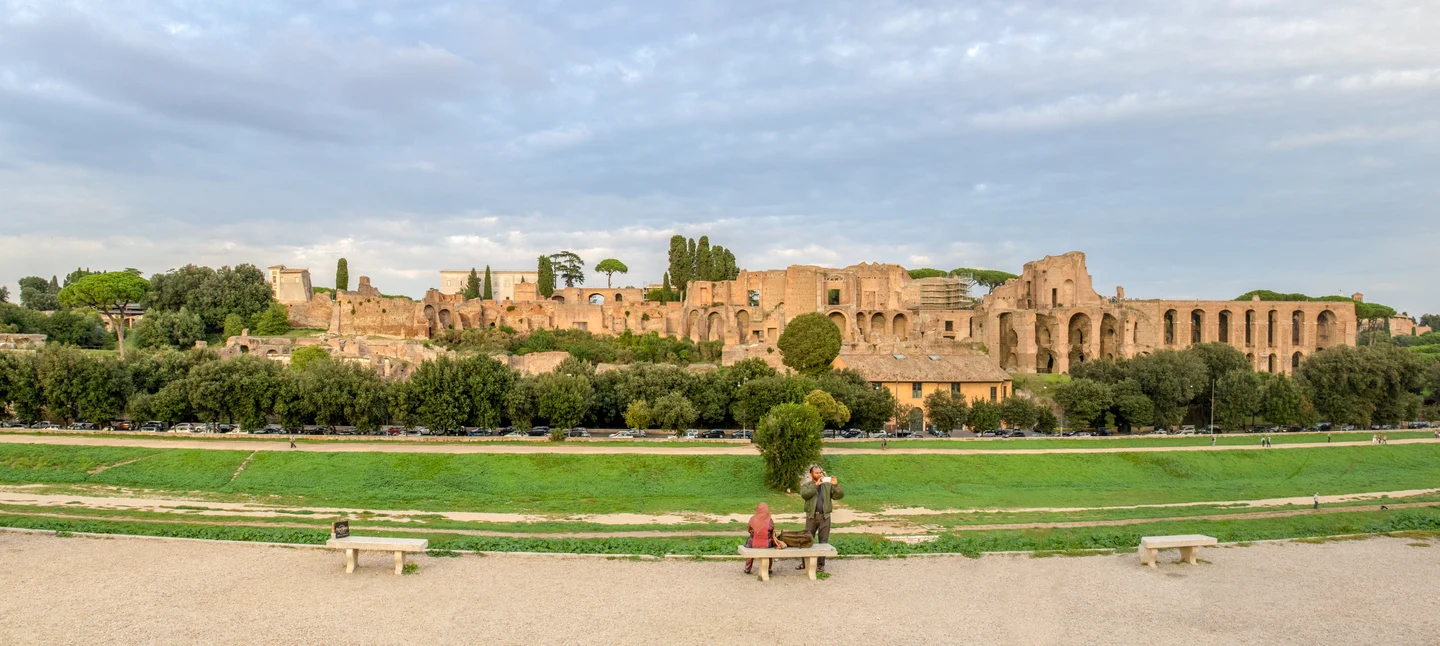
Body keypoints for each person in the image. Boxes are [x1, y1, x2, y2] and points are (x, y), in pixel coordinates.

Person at [798, 465, 844, 572]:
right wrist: (815, 485)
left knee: (823, 541)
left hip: (824, 516)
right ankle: (805, 563)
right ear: (811, 474)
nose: (819, 475)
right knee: (807, 539)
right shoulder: (807, 485)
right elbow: (804, 495)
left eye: (820, 473)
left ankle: (820, 565)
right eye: (816, 473)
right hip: (811, 516)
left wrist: (836, 485)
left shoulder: (827, 486)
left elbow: (839, 496)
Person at [743, 502, 779, 575]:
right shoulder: (770, 520)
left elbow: (749, 530)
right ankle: (768, 568)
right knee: (769, 553)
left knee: (750, 547)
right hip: (766, 544)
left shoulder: (753, 519)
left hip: (753, 543)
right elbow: (772, 530)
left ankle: (747, 568)